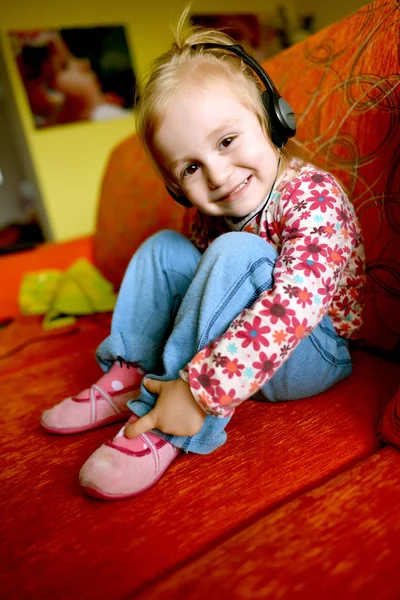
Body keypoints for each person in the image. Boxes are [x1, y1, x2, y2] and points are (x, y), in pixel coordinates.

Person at [40, 13, 366, 500]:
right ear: (177, 187)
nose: (217, 175)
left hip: (311, 353)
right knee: (163, 249)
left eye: (227, 141)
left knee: (236, 251)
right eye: (191, 167)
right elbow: (194, 296)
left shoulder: (314, 196)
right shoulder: (208, 216)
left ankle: (174, 420)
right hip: (238, 355)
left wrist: (199, 391)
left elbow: (296, 305)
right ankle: (133, 374)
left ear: (271, 117)